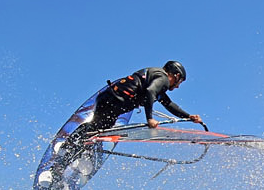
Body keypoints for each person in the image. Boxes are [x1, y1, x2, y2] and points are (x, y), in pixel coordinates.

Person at [68, 60, 203, 147]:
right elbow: (150, 92)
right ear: (176, 75)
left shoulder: (154, 77)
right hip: (116, 101)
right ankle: (74, 147)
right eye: (180, 82)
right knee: (99, 131)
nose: (178, 86)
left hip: (107, 99)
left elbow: (168, 104)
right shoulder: (163, 78)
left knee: (96, 130)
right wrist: (149, 118)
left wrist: (188, 116)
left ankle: (70, 146)